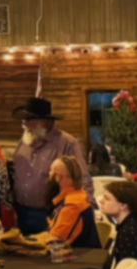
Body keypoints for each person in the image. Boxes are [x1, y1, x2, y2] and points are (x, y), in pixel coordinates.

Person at [11, 97, 93, 235]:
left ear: (46, 121)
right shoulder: (24, 141)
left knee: (49, 255)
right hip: (20, 214)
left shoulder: (67, 143)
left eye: (29, 119)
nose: (23, 123)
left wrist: (84, 211)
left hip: (51, 215)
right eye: (23, 119)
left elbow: (83, 181)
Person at [42, 156, 100, 248]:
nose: (48, 175)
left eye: (51, 171)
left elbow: (54, 241)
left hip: (75, 258)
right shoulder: (78, 194)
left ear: (58, 177)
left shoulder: (72, 205)